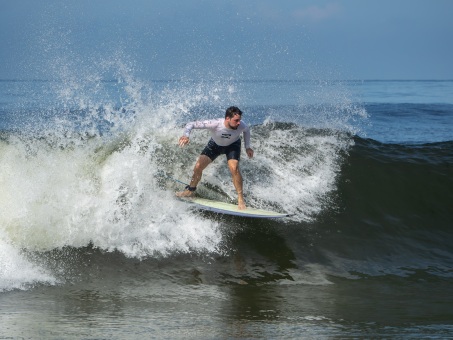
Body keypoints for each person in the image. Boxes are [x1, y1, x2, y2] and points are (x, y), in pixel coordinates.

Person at [176, 106, 254, 210]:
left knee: (234, 168)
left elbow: (247, 130)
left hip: (232, 146)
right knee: (198, 167)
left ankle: (240, 199)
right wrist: (186, 135)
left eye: (239, 120)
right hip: (215, 145)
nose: (239, 123)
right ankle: (190, 191)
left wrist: (247, 147)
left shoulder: (241, 125)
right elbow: (191, 124)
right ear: (227, 118)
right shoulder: (215, 123)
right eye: (236, 120)